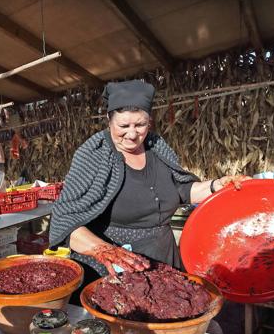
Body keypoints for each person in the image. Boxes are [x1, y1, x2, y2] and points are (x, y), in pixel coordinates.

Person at [49, 80, 249, 278]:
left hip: (163, 255)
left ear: (149, 122)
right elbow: (65, 219)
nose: (132, 134)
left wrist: (216, 185)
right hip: (115, 265)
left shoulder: (156, 147)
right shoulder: (94, 154)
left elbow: (182, 189)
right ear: (109, 120)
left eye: (140, 125)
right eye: (124, 125)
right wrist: (105, 250)